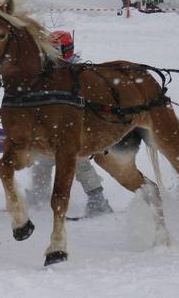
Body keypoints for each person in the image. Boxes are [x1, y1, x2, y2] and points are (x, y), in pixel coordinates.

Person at [26, 31, 114, 218]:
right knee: (42, 161)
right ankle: (38, 197)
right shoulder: (46, 71)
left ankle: (97, 201)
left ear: (66, 50)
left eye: (55, 50)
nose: (51, 54)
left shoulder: (80, 71)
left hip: (76, 129)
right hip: (51, 130)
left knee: (79, 162)